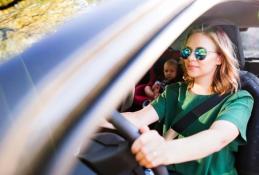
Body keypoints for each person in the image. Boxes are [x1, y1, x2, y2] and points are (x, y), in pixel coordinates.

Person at [120, 25, 254, 175]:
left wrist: (164, 151)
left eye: (200, 53)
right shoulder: (173, 91)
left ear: (219, 58)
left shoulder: (239, 99)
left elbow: (217, 138)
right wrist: (94, 119)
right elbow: (137, 118)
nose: (190, 58)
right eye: (186, 51)